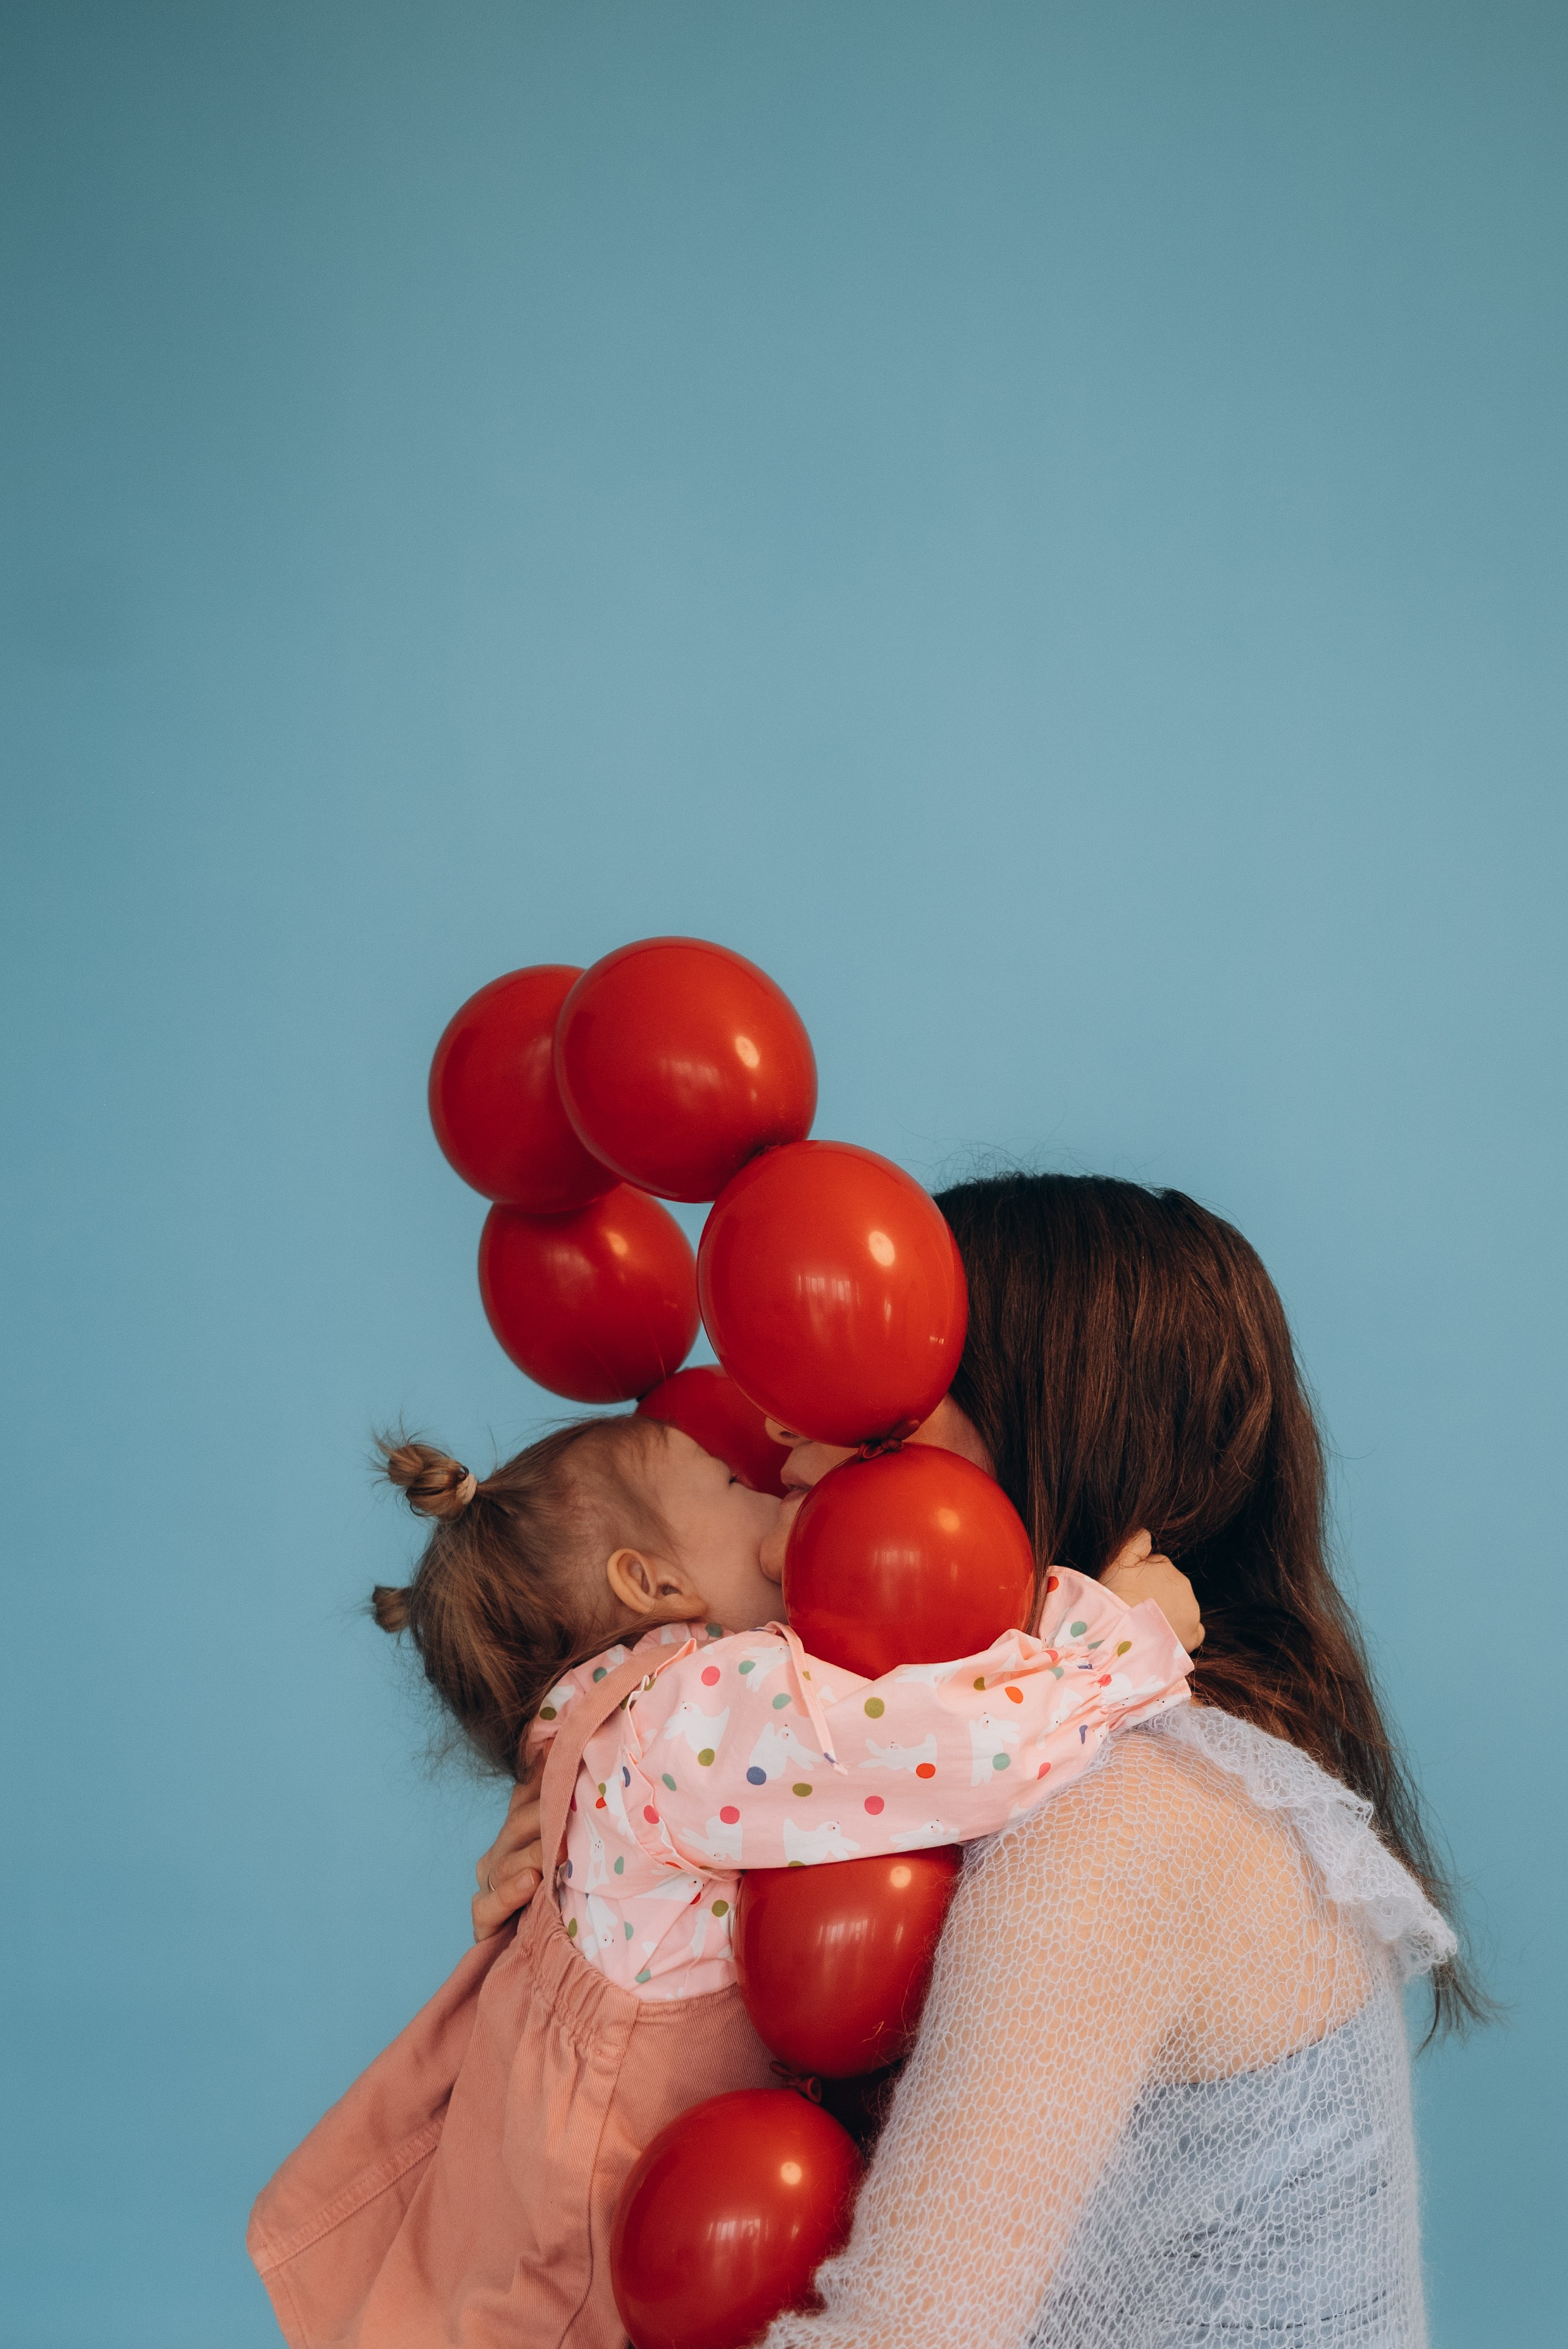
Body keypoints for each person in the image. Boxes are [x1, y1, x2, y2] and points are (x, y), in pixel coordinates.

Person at [475, 1173, 1481, 2348]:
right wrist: (601, 1874)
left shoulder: (1123, 1824)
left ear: (1050, 1431)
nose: (785, 1426)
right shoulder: (1010, 1770)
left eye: (876, 1397)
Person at [249, 1393, 1196, 2346]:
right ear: (652, 1584)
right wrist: (1110, 1637)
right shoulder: (692, 1712)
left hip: (564, 2174)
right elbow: (938, 1751)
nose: (774, 1484)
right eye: (735, 1483)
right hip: (595, 2223)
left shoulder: (599, 1722)